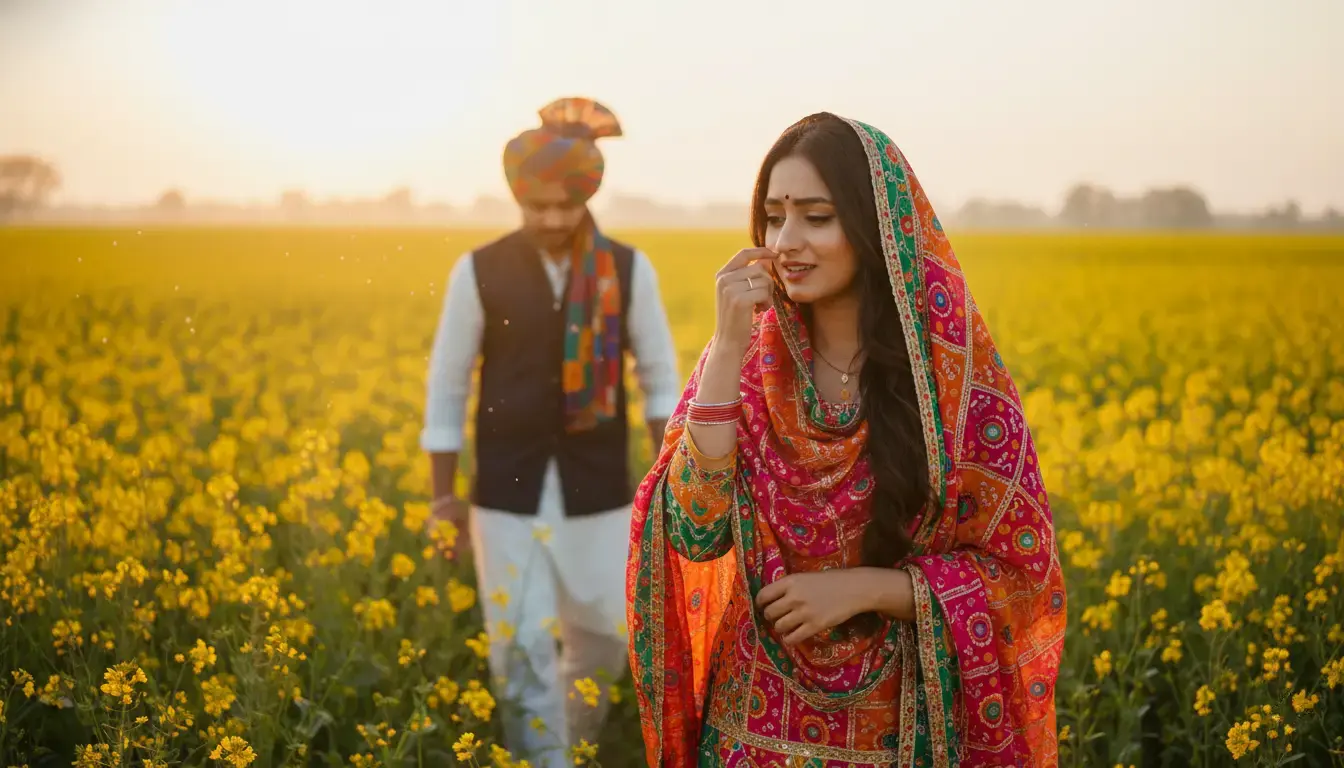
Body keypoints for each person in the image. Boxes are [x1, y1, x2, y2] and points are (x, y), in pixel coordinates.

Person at [626, 113, 1066, 767]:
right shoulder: (744, 366)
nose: (786, 242)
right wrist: (726, 346)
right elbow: (693, 532)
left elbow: (1023, 580)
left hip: (901, 732)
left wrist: (868, 588)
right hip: (749, 731)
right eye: (773, 218)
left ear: (876, 225)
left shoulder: (952, 384)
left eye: (816, 217)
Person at [422, 97, 681, 767]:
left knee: (607, 633)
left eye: (566, 206)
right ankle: (545, 761)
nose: (552, 219)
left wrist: (672, 480)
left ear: (587, 196)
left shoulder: (629, 269)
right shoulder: (478, 269)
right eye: (538, 206)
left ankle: (567, 745)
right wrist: (443, 497)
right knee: (519, 643)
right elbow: (448, 387)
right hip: (503, 490)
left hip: (600, 486)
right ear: (518, 198)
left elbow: (659, 380)